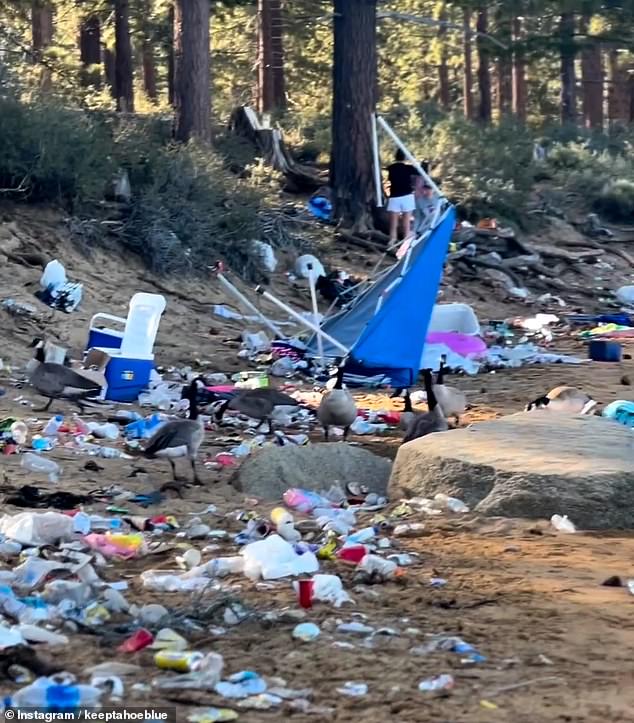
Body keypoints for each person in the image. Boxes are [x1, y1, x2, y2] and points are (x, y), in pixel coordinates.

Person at [386, 149, 419, 245]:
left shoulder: (391, 168)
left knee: (393, 221)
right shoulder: (409, 168)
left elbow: (390, 178)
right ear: (405, 157)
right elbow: (419, 173)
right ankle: (406, 240)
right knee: (406, 222)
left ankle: (392, 239)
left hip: (395, 196)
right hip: (407, 196)